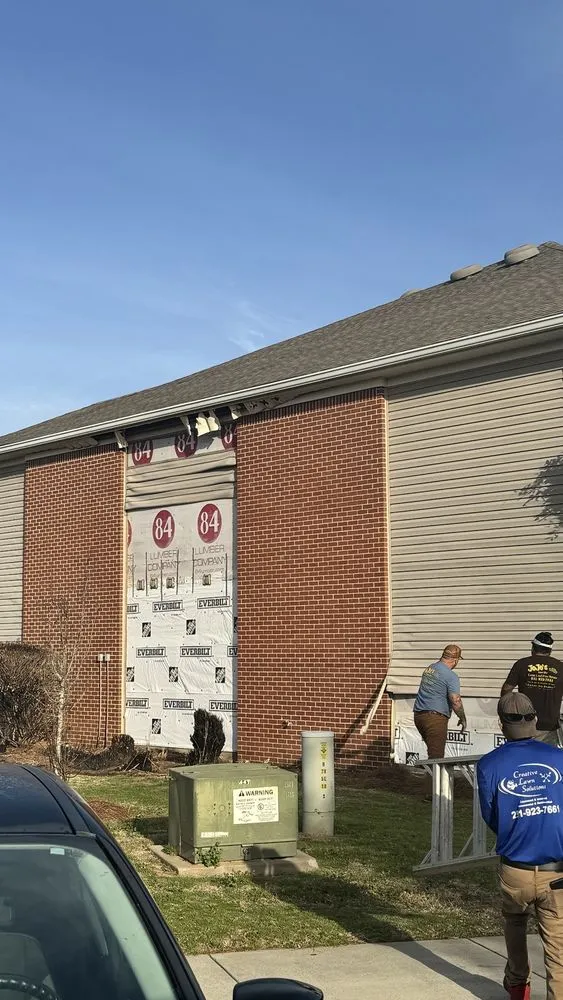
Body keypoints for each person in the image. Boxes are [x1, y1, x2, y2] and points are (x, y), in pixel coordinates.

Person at [477, 692, 563, 1000]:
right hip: (557, 873)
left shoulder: (489, 764)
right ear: (535, 721)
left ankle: (517, 985)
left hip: (515, 868)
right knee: (558, 951)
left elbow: (491, 814)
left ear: (502, 726)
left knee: (514, 924)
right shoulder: (560, 759)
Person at [501, 632, 563, 744]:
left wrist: (504, 711)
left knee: (524, 758)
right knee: (546, 760)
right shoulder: (560, 667)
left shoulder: (522, 664)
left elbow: (507, 689)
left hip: (524, 725)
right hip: (550, 726)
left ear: (533, 648)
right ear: (550, 651)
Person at [413, 643, 467, 759]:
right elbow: (455, 700)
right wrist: (462, 718)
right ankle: (434, 777)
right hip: (435, 719)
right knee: (436, 758)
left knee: (432, 752)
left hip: (419, 716)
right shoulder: (451, 676)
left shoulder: (430, 668)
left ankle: (434, 776)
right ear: (456, 660)